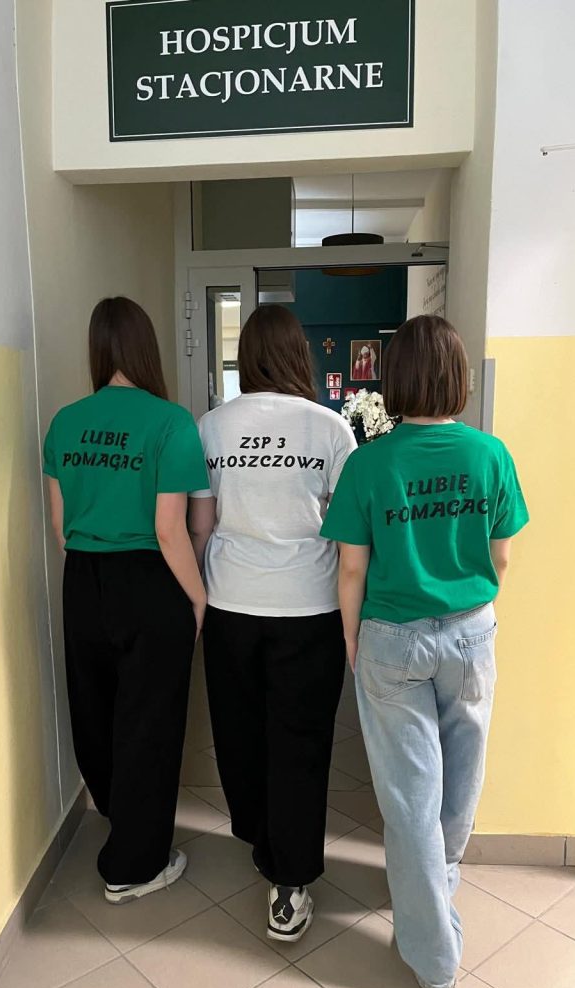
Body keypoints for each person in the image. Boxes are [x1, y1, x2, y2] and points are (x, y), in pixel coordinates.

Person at [321, 315, 528, 988]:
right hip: (470, 633)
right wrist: (469, 612)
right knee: (460, 782)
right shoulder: (490, 456)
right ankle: (436, 893)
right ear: (458, 378)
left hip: (391, 637)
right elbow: (501, 558)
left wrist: (351, 638)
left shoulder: (368, 463)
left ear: (396, 380)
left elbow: (352, 569)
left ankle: (435, 957)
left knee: (410, 796)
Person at [189, 304, 357, 943]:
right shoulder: (330, 428)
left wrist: (197, 595)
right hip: (309, 608)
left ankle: (265, 839)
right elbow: (347, 530)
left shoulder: (213, 426)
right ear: (298, 355)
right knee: (301, 743)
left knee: (239, 733)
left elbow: (202, 524)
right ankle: (290, 879)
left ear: (246, 357)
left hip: (231, 604)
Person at [43, 297, 208, 904]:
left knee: (96, 711)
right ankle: (134, 866)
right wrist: (197, 599)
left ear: (97, 348)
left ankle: (122, 820)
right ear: (146, 348)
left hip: (84, 577)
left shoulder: (65, 422)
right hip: (150, 579)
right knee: (150, 722)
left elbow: (60, 528)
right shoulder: (171, 423)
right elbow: (172, 530)